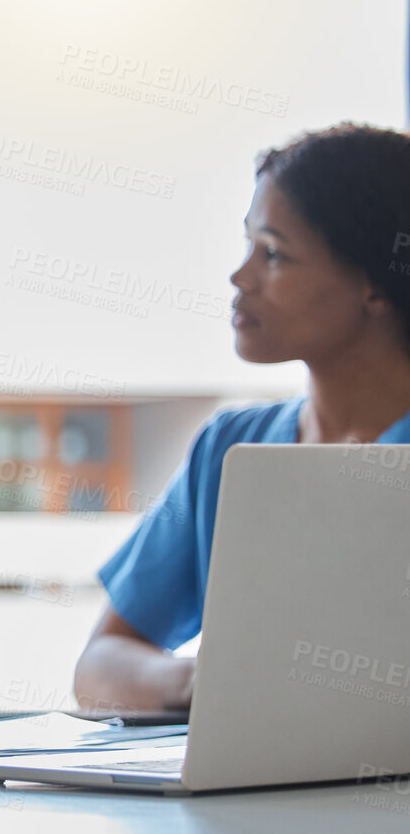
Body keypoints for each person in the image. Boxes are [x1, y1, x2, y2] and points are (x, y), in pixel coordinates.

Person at [74, 123, 410, 712]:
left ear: (374, 286)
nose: (239, 278)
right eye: (247, 246)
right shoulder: (230, 448)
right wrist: (198, 681)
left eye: (274, 254)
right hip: (243, 796)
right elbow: (100, 665)